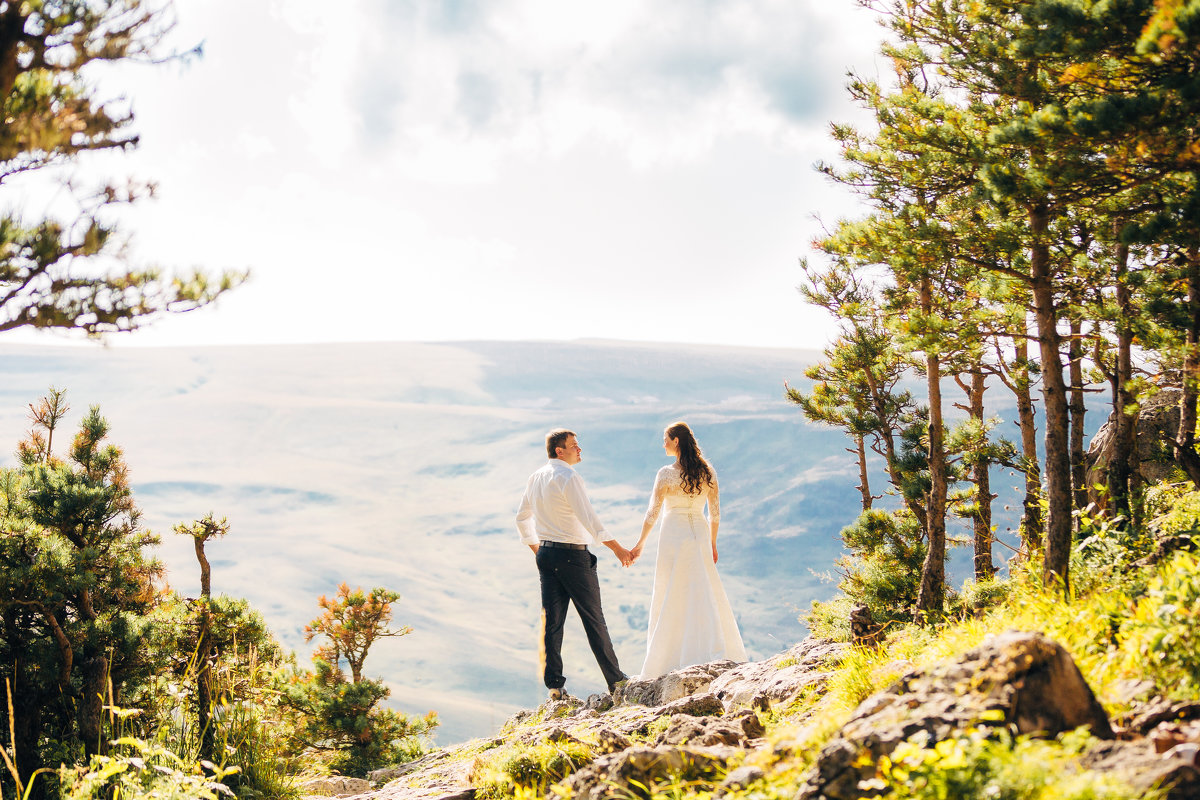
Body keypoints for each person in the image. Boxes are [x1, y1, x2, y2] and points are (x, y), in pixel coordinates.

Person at [516, 428, 632, 700]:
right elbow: (589, 518)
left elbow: (521, 518)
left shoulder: (536, 476)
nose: (579, 450)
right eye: (574, 445)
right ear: (560, 450)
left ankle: (554, 686)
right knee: (594, 618)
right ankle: (616, 682)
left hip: (546, 554)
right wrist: (618, 549)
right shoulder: (569, 477)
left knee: (553, 622)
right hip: (573, 555)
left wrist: (537, 549)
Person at [630, 421, 746, 679]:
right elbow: (715, 514)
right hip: (699, 532)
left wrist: (640, 544)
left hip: (673, 533)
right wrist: (713, 543)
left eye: (666, 439)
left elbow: (652, 513)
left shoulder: (666, 474)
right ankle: (712, 646)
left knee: (672, 587)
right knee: (704, 587)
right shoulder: (708, 471)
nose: (663, 444)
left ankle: (667, 655)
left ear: (677, 441)